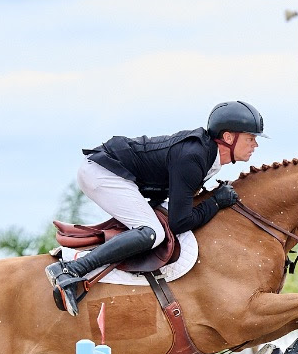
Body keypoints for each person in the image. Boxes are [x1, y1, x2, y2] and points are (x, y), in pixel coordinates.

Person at [46, 100, 265, 316]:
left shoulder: (207, 157)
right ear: (228, 137)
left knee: (152, 228)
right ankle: (70, 270)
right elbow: (180, 222)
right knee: (151, 233)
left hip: (116, 173)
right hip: (104, 172)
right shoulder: (194, 157)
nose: (255, 144)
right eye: (250, 138)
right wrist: (216, 202)